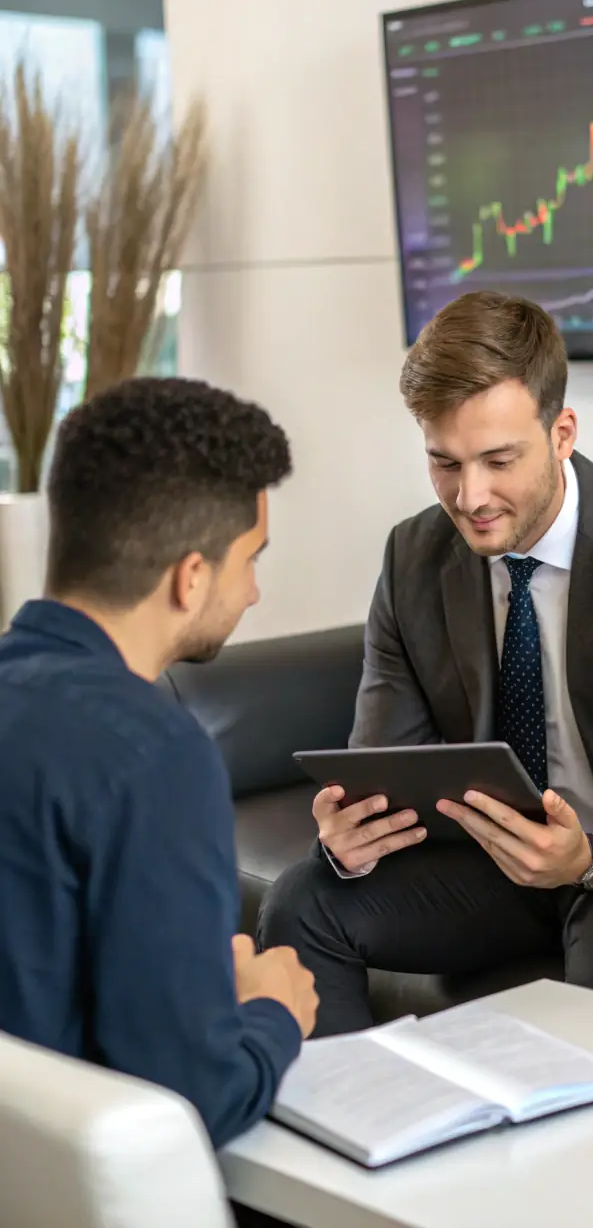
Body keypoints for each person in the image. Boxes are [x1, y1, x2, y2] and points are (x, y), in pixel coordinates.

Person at [259, 291, 593, 1032]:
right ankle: (358, 1131)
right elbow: (384, 761)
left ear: (562, 432)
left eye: (498, 460)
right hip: (496, 867)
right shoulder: (413, 556)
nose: (469, 496)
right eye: (444, 462)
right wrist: (352, 834)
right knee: (303, 896)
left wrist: (591, 856)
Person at [0, 377, 319, 1149]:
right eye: (249, 560)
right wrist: (274, 1012)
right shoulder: (155, 756)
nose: (253, 591)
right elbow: (190, 1096)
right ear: (191, 576)